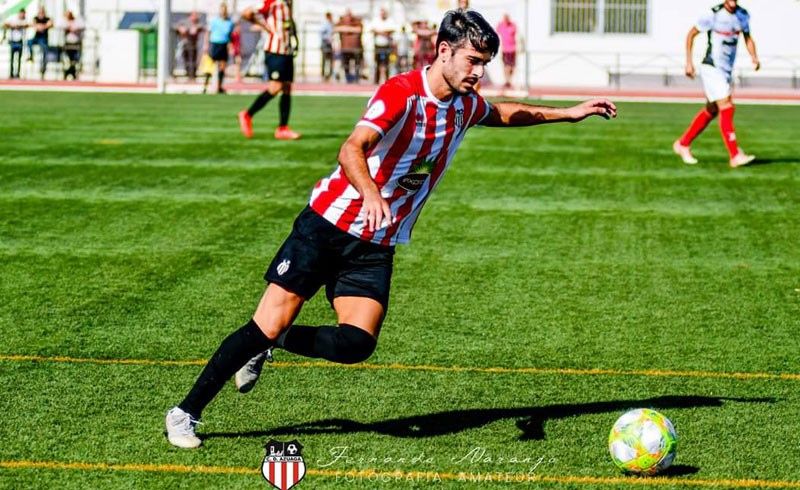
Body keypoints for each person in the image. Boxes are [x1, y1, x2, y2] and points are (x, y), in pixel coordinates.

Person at [164, 8, 616, 449]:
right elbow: (351, 149)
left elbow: (505, 112)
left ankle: (273, 341)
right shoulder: (401, 93)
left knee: (355, 343)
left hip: (376, 242)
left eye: (485, 64)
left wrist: (570, 112)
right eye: (473, 61)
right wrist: (372, 194)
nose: (480, 73)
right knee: (263, 320)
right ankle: (185, 413)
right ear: (443, 50)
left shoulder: (463, 105)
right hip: (328, 225)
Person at [673, 0, 759, 168]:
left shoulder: (743, 15)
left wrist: (754, 57)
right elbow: (691, 34)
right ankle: (735, 155)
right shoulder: (713, 14)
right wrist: (689, 63)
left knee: (712, 109)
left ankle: (683, 144)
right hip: (712, 67)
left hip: (726, 70)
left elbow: (748, 38)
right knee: (727, 106)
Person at [238, 0, 302, 140]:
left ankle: (283, 128)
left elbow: (289, 23)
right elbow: (246, 13)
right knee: (275, 87)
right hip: (275, 51)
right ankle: (247, 114)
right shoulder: (272, 1)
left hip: (287, 50)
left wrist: (295, 40)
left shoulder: (288, 3)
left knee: (286, 88)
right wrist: (263, 25)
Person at [204, 3, 234, 94]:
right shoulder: (214, 21)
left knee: (222, 66)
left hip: (224, 45)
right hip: (215, 44)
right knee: (210, 66)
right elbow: (208, 33)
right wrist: (206, 45)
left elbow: (230, 36)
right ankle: (205, 86)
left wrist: (230, 46)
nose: (223, 12)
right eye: (222, 10)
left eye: (225, 10)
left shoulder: (230, 22)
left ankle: (219, 87)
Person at [335, 9, 364, 83]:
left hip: (356, 48)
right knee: (345, 64)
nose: (348, 17)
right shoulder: (341, 21)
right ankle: (348, 79)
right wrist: (350, 29)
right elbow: (335, 28)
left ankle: (357, 79)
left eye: (349, 15)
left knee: (357, 64)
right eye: (347, 15)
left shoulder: (356, 21)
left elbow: (359, 29)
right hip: (345, 48)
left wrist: (346, 29)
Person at [370, 8, 396, 84]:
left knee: (387, 64)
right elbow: (372, 30)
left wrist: (380, 32)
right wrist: (384, 32)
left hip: (386, 45)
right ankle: (376, 81)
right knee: (377, 64)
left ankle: (387, 81)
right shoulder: (376, 20)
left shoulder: (390, 21)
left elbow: (391, 30)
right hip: (378, 45)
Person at [176, 11, 204, 81]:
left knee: (193, 60)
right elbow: (176, 26)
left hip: (193, 44)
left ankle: (192, 76)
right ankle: (188, 74)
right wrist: (181, 29)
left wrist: (196, 28)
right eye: (194, 15)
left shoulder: (197, 23)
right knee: (186, 60)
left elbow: (202, 27)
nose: (196, 17)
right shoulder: (185, 22)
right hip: (185, 43)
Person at [27, 6, 52, 78]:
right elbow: (33, 24)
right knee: (29, 42)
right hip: (37, 38)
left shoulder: (47, 19)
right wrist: (41, 26)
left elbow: (49, 24)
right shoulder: (36, 18)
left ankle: (43, 69)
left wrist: (41, 26)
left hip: (43, 38)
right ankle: (31, 56)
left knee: (44, 51)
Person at [3, 9, 27, 79]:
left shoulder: (24, 20)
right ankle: (11, 73)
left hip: (20, 41)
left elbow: (28, 24)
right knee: (12, 59)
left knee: (19, 59)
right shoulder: (14, 19)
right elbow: (5, 23)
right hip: (13, 41)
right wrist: (13, 25)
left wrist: (19, 25)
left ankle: (18, 74)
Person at [60, 11, 84, 80]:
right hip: (68, 43)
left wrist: (75, 28)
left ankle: (69, 72)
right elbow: (61, 25)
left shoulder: (77, 21)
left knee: (75, 60)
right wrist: (69, 27)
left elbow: (81, 26)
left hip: (76, 43)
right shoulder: (65, 21)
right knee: (69, 60)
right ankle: (70, 73)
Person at [496, 14, 517, 89]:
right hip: (505, 50)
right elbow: (496, 33)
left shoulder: (513, 25)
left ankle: (509, 80)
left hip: (512, 49)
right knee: (506, 66)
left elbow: (516, 36)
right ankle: (507, 81)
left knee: (511, 66)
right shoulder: (501, 25)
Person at [320, 11, 335, 82]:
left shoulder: (331, 24)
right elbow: (321, 34)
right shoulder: (325, 24)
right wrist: (328, 38)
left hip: (329, 44)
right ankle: (323, 75)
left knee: (330, 60)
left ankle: (329, 74)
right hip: (325, 44)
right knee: (325, 60)